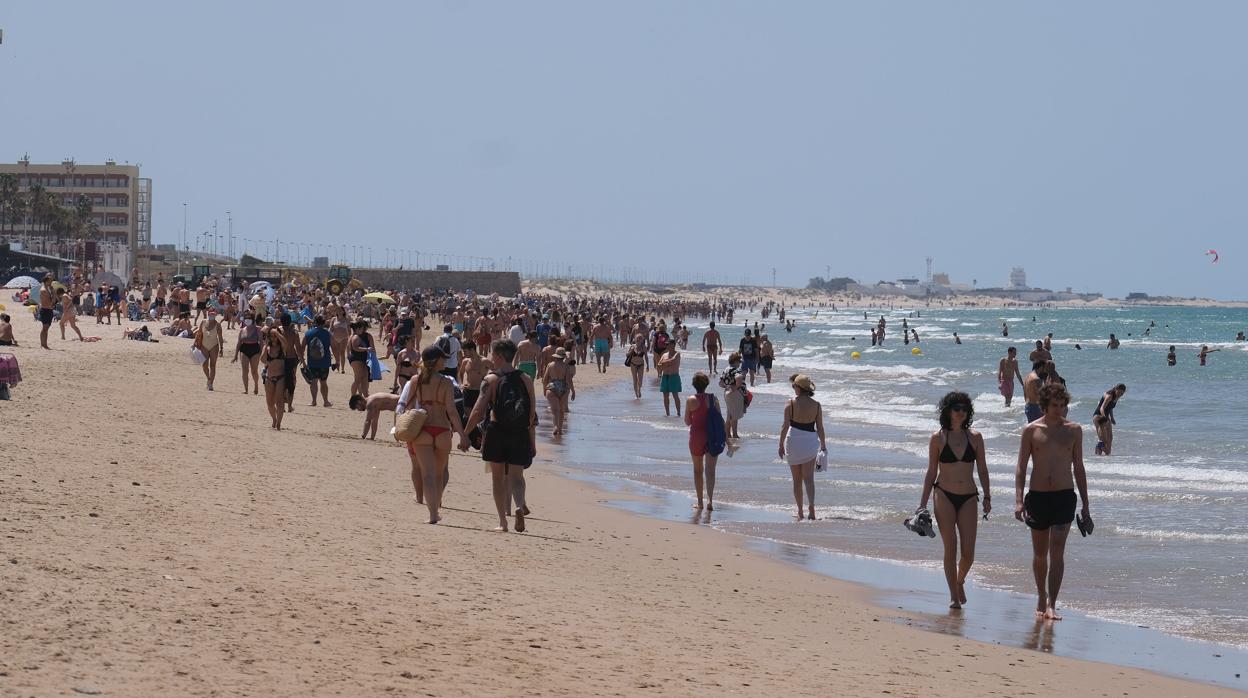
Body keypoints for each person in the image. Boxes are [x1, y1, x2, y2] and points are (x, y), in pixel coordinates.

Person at [1014, 383, 1091, 621]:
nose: (1059, 410)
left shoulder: (1074, 430)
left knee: (1057, 552)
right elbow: (1021, 467)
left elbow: (1078, 467)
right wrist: (1018, 500)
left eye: (1062, 405)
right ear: (1044, 405)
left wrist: (1086, 505)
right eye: (1054, 405)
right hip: (1037, 497)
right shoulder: (1031, 430)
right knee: (1040, 554)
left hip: (1064, 496)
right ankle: (1040, 595)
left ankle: (1052, 603)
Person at [919, 392, 991, 609]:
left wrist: (987, 496)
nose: (961, 411)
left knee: (968, 553)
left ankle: (960, 581)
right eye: (957, 407)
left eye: (965, 408)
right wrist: (922, 504)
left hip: (969, 497)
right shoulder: (937, 438)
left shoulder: (976, 438)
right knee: (951, 547)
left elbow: (983, 469)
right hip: (944, 495)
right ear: (948, 410)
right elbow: (931, 472)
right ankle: (953, 596)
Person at [459, 339, 538, 533]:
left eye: (494, 355)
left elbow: (478, 410)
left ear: (500, 357)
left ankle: (503, 522)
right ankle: (519, 505)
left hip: (496, 430)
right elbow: (532, 413)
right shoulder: (526, 379)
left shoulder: (491, 379)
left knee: (498, 478)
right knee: (517, 477)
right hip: (519, 432)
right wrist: (531, 439)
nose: (492, 358)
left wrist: (465, 434)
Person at [398, 345, 465, 524]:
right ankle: (436, 504)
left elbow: (409, 407)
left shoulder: (415, 380)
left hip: (423, 431)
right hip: (442, 430)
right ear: (435, 362)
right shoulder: (446, 382)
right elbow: (451, 411)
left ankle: (433, 514)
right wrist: (463, 435)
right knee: (439, 473)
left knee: (427, 474)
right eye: (442, 359)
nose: (445, 361)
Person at [778, 374, 825, 521]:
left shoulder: (790, 403)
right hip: (810, 442)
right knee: (809, 479)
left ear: (799, 387)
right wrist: (823, 444)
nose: (793, 388)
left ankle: (800, 511)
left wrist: (780, 445)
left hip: (793, 442)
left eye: (794, 386)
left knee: (796, 480)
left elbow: (785, 426)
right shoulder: (816, 405)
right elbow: (821, 427)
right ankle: (811, 508)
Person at [684, 372, 721, 511]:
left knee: (697, 470)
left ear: (694, 385)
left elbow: (687, 422)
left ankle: (700, 502)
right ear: (707, 385)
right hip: (711, 436)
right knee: (711, 470)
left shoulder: (690, 400)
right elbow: (719, 420)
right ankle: (710, 500)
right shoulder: (713, 399)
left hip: (696, 437)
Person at [541, 346, 576, 436]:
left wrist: (544, 389)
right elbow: (569, 379)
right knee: (561, 410)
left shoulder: (550, 365)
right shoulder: (566, 366)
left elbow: (545, 379)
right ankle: (560, 429)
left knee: (554, 410)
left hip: (552, 386)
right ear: (563, 357)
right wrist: (573, 391)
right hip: (563, 387)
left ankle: (555, 427)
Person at [261, 328, 291, 430]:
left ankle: (278, 423)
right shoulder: (267, 348)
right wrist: (265, 346)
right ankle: (274, 418)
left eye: (274, 336)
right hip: (269, 377)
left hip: (280, 377)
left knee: (279, 402)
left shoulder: (282, 347)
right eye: (271, 335)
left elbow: (285, 343)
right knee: (270, 403)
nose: (273, 338)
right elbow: (263, 360)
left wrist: (277, 333)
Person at [304, 315, 333, 407]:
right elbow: (334, 347)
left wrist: (302, 359)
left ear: (314, 322)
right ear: (324, 323)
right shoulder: (328, 334)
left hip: (312, 362)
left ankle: (313, 401)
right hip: (325, 362)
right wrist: (338, 360)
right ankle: (326, 401)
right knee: (323, 382)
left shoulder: (308, 333)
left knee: (313, 382)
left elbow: (301, 347)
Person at [232, 312, 263, 395]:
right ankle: (246, 389)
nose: (247, 320)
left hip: (255, 349)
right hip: (244, 349)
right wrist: (235, 355)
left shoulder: (258, 329)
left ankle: (256, 386)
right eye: (246, 318)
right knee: (245, 370)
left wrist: (262, 353)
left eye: (249, 318)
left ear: (253, 320)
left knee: (254, 370)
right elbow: (239, 343)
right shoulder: (242, 330)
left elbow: (261, 341)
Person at [193, 312, 225, 391]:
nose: (211, 315)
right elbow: (199, 333)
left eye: (213, 314)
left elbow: (220, 337)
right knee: (204, 365)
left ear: (216, 315)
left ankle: (211, 384)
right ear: (208, 314)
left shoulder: (218, 325)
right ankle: (209, 378)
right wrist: (195, 342)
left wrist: (221, 348)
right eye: (210, 314)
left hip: (214, 346)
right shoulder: (203, 322)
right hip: (204, 346)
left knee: (212, 366)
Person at [1091, 384, 1126, 455]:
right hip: (1098, 417)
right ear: (1116, 389)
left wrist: (1112, 418)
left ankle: (1105, 458)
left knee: (1110, 438)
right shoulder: (1109, 396)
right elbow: (1102, 408)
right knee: (1104, 440)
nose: (1120, 394)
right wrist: (1105, 417)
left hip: (1106, 417)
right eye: (1119, 392)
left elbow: (1110, 408)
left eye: (1122, 393)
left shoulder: (1117, 397)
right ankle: (1099, 449)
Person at [720, 352, 746, 440]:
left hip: (727, 393)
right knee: (734, 416)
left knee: (729, 414)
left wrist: (727, 386)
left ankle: (728, 434)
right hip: (735, 394)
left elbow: (720, 383)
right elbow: (739, 378)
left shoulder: (726, 369)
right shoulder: (736, 370)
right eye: (739, 361)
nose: (740, 364)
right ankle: (734, 434)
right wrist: (735, 387)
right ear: (735, 361)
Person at [347, 321, 374, 400]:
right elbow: (355, 347)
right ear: (358, 328)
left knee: (365, 377)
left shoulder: (359, 336)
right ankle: (353, 397)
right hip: (356, 359)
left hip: (363, 359)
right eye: (362, 328)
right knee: (358, 378)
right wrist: (366, 349)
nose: (363, 330)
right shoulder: (355, 336)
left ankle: (365, 396)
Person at [624, 334, 647, 398]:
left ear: (642, 340)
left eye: (640, 338)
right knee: (635, 379)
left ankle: (639, 390)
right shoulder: (632, 346)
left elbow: (646, 357)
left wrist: (647, 365)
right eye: (637, 338)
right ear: (635, 339)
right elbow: (627, 355)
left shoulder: (644, 347)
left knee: (640, 380)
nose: (638, 340)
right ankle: (636, 395)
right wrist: (631, 351)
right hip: (633, 364)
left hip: (641, 365)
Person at [38, 275, 56, 349]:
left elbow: (51, 302)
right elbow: (50, 302)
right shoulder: (44, 290)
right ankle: (42, 344)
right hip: (45, 310)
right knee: (44, 328)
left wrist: (52, 292)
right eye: (50, 281)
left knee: (46, 328)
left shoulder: (47, 289)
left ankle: (44, 344)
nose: (51, 282)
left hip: (48, 310)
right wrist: (54, 294)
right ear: (46, 281)